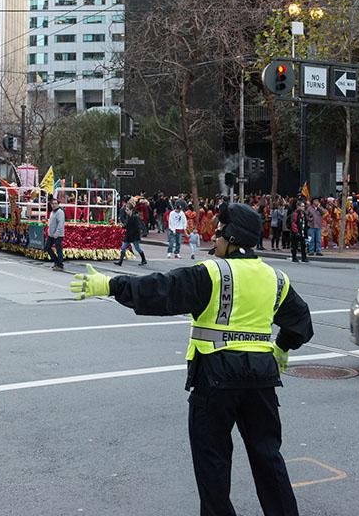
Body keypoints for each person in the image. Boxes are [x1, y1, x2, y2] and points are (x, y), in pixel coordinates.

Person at [70, 203, 313, 516]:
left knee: (213, 465)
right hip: (262, 380)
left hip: (215, 377)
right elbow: (301, 321)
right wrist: (282, 347)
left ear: (231, 237)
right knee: (268, 458)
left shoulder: (212, 273)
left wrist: (109, 284)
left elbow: (162, 290)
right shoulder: (275, 278)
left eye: (219, 231)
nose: (214, 237)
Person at [114, 201, 147, 266]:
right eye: (126, 210)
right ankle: (120, 262)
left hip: (134, 236)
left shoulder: (135, 217)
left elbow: (137, 227)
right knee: (123, 247)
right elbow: (127, 225)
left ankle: (144, 259)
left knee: (137, 248)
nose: (126, 211)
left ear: (131, 210)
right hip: (128, 235)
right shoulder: (128, 216)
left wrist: (125, 227)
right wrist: (122, 226)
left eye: (127, 210)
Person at [45, 198, 65, 271]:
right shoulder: (52, 212)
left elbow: (60, 223)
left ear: (58, 204)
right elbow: (51, 222)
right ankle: (56, 261)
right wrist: (48, 230)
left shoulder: (60, 212)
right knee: (47, 247)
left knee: (58, 249)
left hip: (58, 235)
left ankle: (60, 264)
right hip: (51, 234)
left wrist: (57, 233)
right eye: (52, 204)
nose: (54, 205)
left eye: (55, 203)